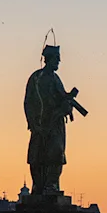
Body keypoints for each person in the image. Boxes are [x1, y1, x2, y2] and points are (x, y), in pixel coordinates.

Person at [24, 43, 83, 196]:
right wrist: (33, 123)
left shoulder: (56, 79)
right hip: (41, 123)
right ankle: (39, 186)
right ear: (48, 59)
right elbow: (28, 102)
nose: (58, 62)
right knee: (36, 156)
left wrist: (66, 107)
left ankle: (51, 185)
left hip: (55, 124)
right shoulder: (36, 78)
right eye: (57, 59)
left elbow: (62, 99)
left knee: (56, 153)